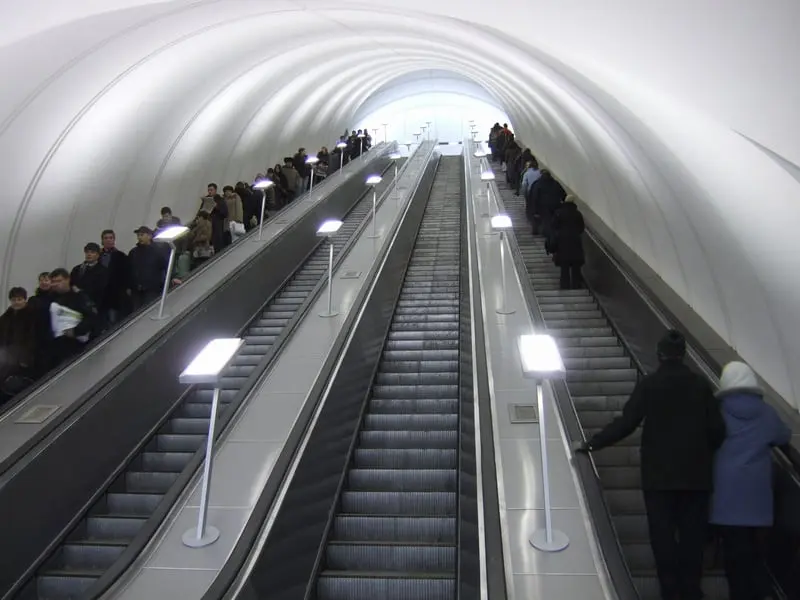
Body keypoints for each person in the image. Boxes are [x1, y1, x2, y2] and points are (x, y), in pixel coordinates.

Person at [577, 330, 726, 600]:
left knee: (662, 538)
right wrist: (702, 453)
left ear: (659, 355)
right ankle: (692, 591)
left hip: (658, 479)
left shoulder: (650, 385)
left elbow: (627, 423)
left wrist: (593, 443)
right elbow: (717, 430)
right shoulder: (701, 385)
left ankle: (669, 592)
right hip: (696, 479)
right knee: (693, 540)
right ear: (684, 356)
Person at [710, 361, 790, 600]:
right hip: (757, 500)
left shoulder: (717, 411)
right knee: (755, 555)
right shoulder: (766, 413)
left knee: (733, 556)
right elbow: (784, 435)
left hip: (725, 496)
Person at [552, 196, 586, 290]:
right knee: (575, 266)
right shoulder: (577, 214)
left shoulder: (559, 213)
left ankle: (564, 286)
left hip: (562, 243)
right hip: (575, 242)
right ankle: (576, 285)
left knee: (564, 266)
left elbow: (554, 227)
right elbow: (581, 228)